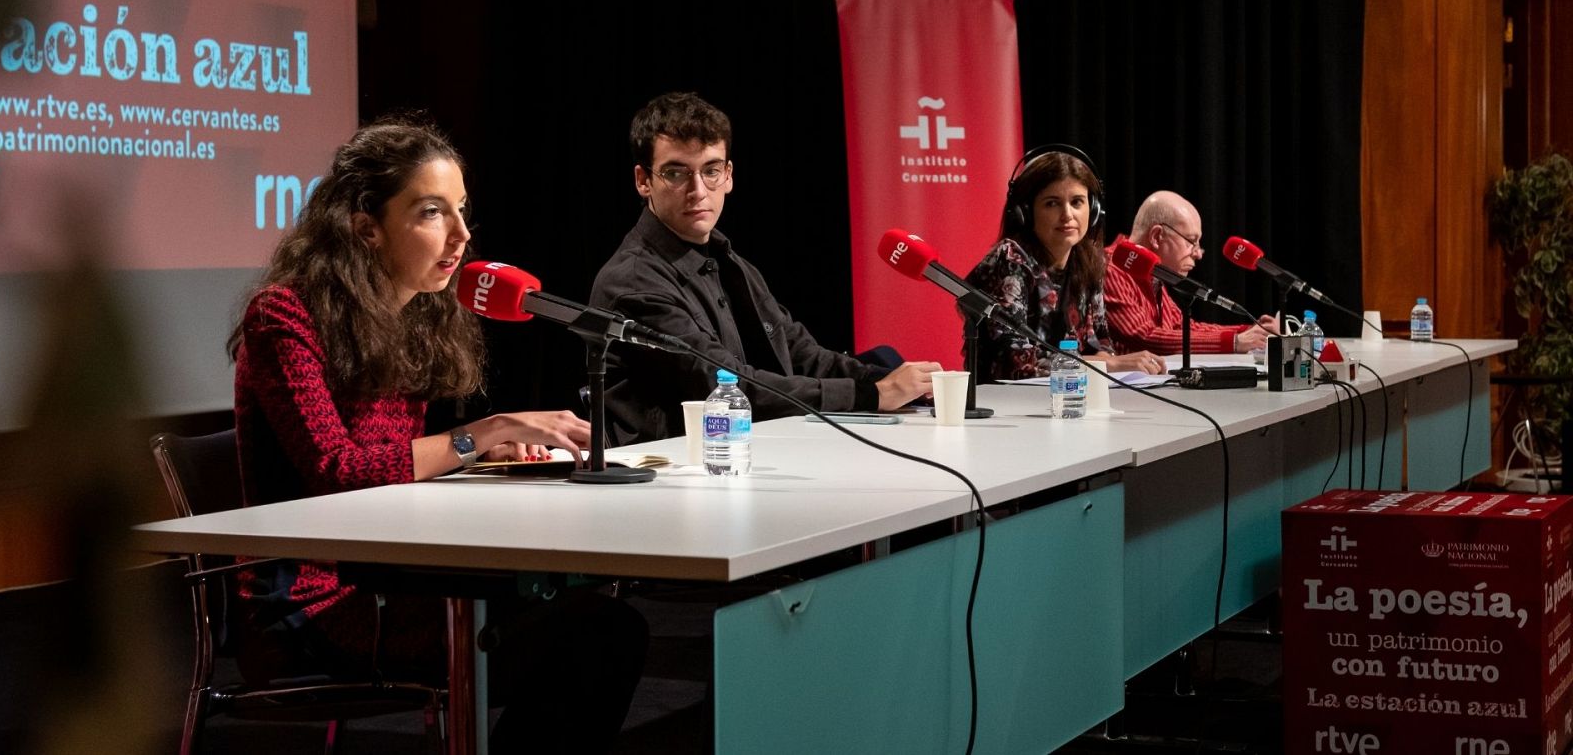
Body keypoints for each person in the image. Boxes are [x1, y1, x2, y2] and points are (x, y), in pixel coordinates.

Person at [228, 118, 646, 752]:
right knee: (599, 632)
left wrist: (485, 453)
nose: (462, 235)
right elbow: (339, 473)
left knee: (597, 612)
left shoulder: (412, 319)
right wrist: (483, 433)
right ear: (365, 226)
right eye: (432, 213)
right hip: (312, 607)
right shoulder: (283, 317)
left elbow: (389, 470)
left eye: (461, 211)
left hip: (391, 579)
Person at [590, 92, 940, 445]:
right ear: (643, 180)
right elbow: (728, 386)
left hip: (743, 458)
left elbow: (802, 353)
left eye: (710, 170)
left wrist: (894, 380)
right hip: (672, 475)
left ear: (728, 176)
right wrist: (874, 394)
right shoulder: (633, 282)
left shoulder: (729, 260)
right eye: (676, 173)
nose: (697, 190)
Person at [965, 144, 1165, 382]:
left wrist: (1108, 360)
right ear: (1026, 212)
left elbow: (1100, 343)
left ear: (1093, 210)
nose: (1067, 214)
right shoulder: (1010, 259)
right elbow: (1014, 362)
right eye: (1052, 203)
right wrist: (1106, 364)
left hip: (1070, 397)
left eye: (1077, 202)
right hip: (1008, 405)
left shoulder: (1090, 260)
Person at [1102, 191, 1278, 355]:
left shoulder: (1152, 273)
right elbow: (1145, 336)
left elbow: (1182, 327)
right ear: (1157, 236)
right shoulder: (1111, 268)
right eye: (1191, 241)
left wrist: (1249, 331)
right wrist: (1235, 341)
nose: (1199, 253)